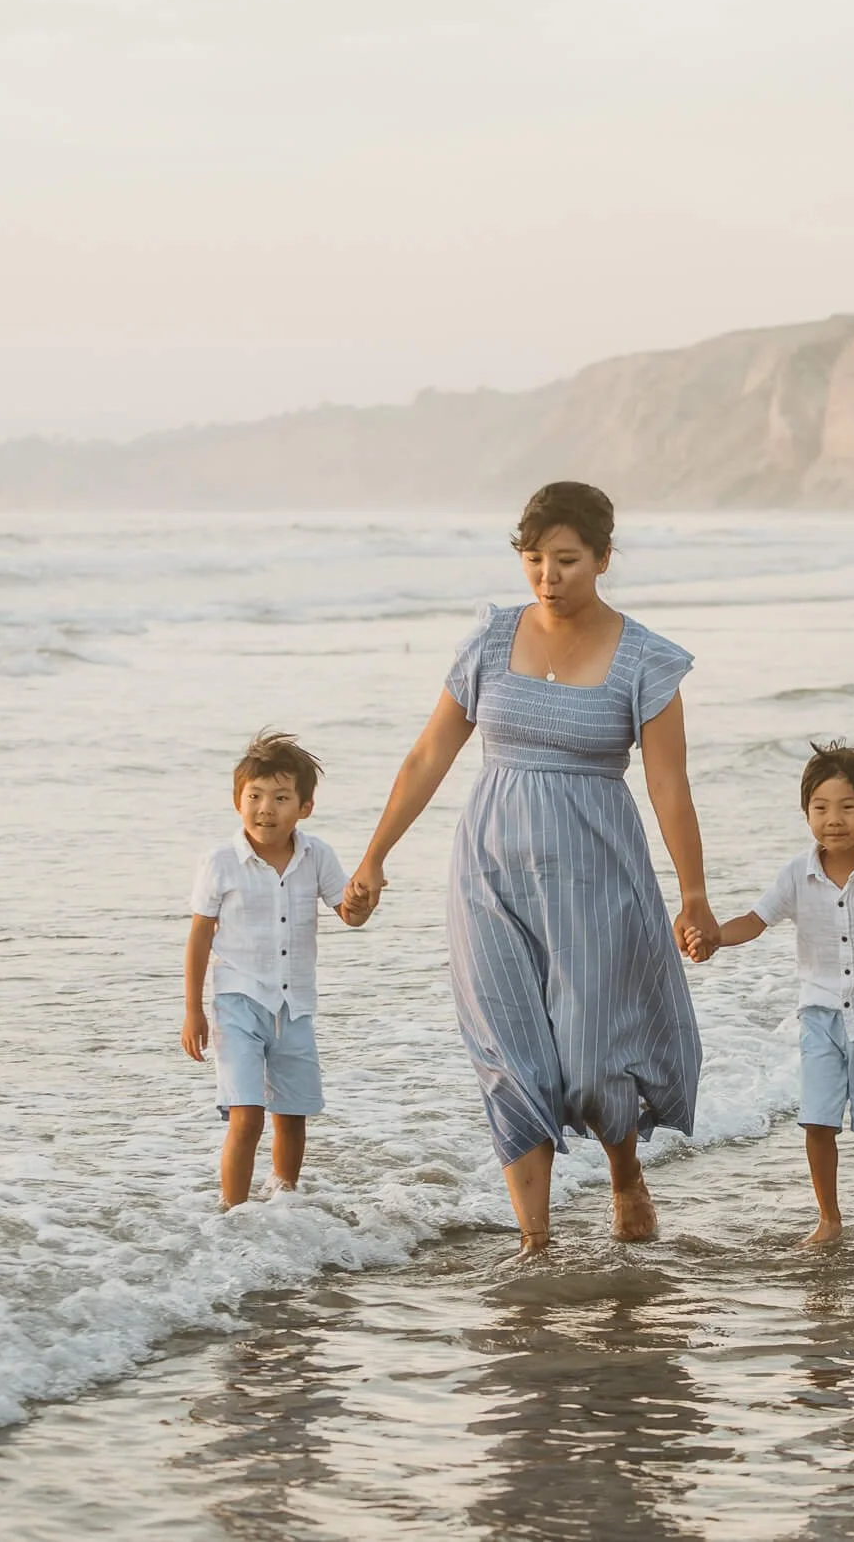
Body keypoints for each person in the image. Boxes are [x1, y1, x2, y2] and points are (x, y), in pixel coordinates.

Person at [341, 481, 715, 1256]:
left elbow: (669, 784)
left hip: (597, 873)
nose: (549, 575)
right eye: (535, 558)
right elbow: (430, 752)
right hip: (490, 873)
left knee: (590, 1056)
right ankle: (535, 1247)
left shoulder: (645, 658)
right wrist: (376, 854)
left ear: (605, 559)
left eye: (568, 560)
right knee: (510, 1053)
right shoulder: (489, 640)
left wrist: (695, 892)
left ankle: (622, 1170)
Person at [702, 741, 854, 1247]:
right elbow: (756, 919)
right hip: (821, 1016)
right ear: (806, 812)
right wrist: (717, 936)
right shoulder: (796, 872)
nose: (834, 819)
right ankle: (829, 1219)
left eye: (848, 807)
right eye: (821, 807)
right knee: (817, 1119)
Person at [181, 731, 358, 1210]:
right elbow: (199, 937)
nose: (266, 808)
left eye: (281, 798)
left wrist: (366, 894)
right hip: (237, 1002)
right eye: (255, 796)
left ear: (304, 807)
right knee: (247, 1117)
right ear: (237, 801)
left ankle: (285, 1201)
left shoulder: (316, 855)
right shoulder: (220, 861)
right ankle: (232, 1212)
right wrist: (192, 1011)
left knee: (292, 1113)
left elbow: (350, 912)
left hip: (295, 1004)